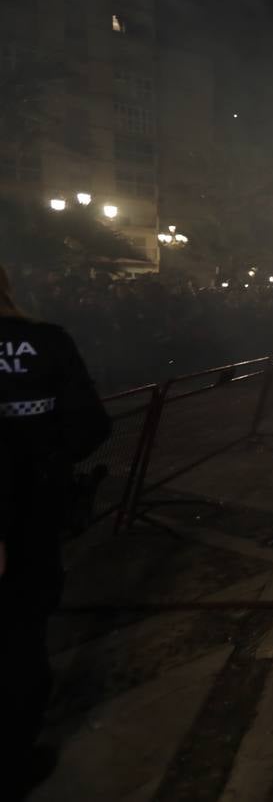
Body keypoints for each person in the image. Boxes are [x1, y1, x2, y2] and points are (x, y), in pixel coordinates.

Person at [1, 264, 111, 797]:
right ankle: (14, 753)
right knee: (22, 626)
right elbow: (92, 424)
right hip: (28, 509)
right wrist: (49, 465)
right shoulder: (44, 342)